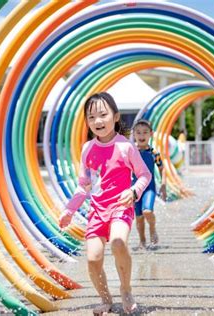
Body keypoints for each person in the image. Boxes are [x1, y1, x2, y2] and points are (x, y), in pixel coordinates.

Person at [59, 92, 151, 315]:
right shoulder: (87, 149)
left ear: (116, 117)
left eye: (103, 115)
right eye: (91, 117)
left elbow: (144, 175)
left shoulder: (125, 146)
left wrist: (133, 191)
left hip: (121, 207)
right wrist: (69, 210)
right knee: (93, 258)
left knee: (118, 242)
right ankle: (105, 298)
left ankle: (126, 290)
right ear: (87, 122)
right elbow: (84, 185)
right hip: (97, 212)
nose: (97, 121)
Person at [132, 119, 167, 249]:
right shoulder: (131, 152)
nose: (142, 136)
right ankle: (142, 241)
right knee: (139, 217)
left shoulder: (153, 153)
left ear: (150, 134)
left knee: (147, 211)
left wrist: (163, 185)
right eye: (138, 132)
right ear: (134, 134)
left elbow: (162, 169)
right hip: (135, 188)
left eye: (145, 132)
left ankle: (152, 228)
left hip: (149, 188)